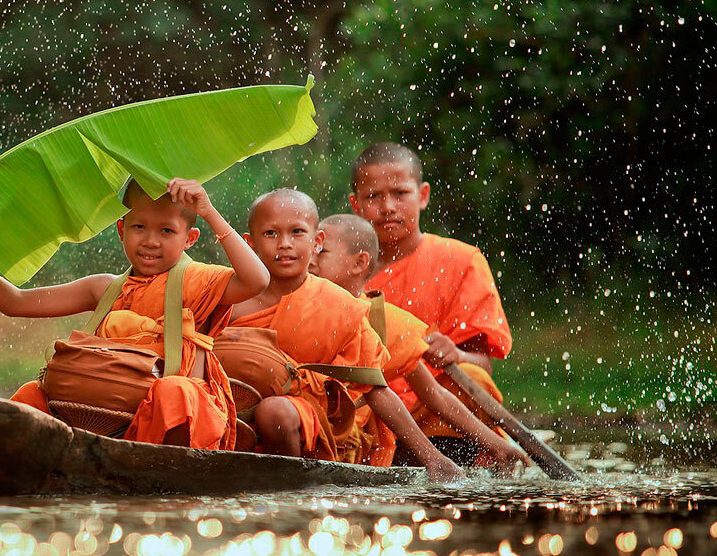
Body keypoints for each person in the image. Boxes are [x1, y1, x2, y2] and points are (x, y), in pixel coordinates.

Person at [0, 178, 269, 450]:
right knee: (30, 396)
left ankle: (159, 469)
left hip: (172, 421)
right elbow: (16, 302)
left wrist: (209, 212)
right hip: (103, 410)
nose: (150, 241)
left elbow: (257, 280)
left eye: (166, 231)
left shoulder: (199, 279)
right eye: (138, 227)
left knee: (174, 391)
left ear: (190, 238)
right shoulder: (104, 288)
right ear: (121, 230)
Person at [224, 188, 464, 482]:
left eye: (297, 232)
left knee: (275, 412)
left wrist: (433, 458)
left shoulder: (339, 305)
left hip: (304, 427)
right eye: (271, 234)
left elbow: (374, 386)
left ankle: (291, 486)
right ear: (250, 243)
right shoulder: (228, 298)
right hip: (233, 413)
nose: (285, 244)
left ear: (317, 242)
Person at [312, 213, 529, 474]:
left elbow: (433, 394)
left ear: (360, 263)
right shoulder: (298, 304)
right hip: (309, 426)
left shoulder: (383, 320)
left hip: (358, 443)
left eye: (320, 251)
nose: (309, 259)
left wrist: (495, 444)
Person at [348, 142, 514, 462]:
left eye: (400, 193)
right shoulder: (340, 266)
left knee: (472, 378)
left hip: (436, 414)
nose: (388, 207)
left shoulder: (461, 260)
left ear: (422, 195)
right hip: (368, 412)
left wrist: (456, 352)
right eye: (373, 197)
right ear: (355, 204)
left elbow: (480, 365)